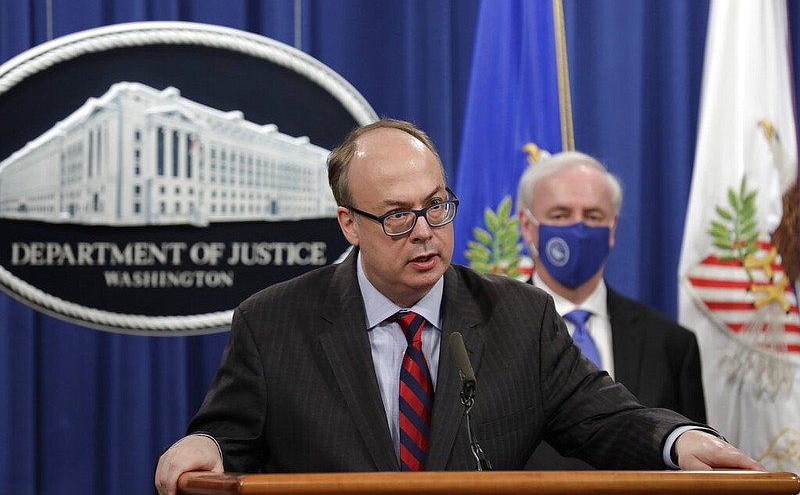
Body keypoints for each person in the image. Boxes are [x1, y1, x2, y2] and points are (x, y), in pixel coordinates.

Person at [155, 119, 762, 495]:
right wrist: (205, 445)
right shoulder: (274, 322)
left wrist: (676, 440)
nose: (425, 231)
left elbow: (603, 418)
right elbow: (230, 436)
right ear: (349, 223)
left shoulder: (520, 317)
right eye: (397, 216)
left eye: (437, 205)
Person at [516, 151, 707, 470]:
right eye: (561, 215)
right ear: (527, 225)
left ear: (613, 227)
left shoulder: (671, 344)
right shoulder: (488, 331)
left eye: (592, 216)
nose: (578, 229)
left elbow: (692, 467)